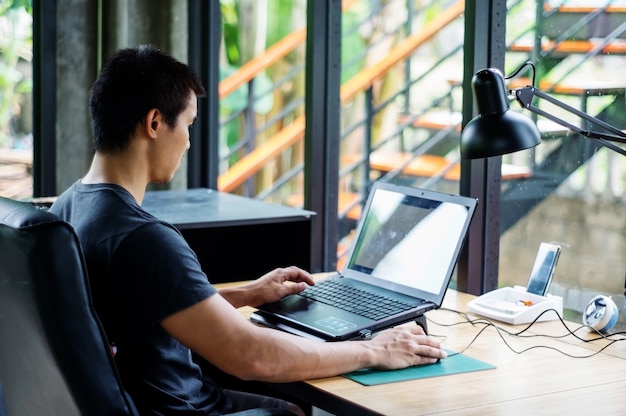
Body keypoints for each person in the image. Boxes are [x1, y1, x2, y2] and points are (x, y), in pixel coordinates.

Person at [50, 45, 447, 416]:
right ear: (155, 123)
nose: (188, 141)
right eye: (188, 124)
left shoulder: (66, 209)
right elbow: (251, 355)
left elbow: (138, 307)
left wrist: (242, 295)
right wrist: (373, 350)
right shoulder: (144, 238)